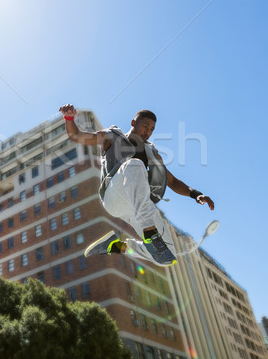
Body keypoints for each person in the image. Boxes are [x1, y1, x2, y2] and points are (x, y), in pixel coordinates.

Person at [58, 104, 215, 267]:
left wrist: (196, 194)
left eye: (152, 129)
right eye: (145, 126)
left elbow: (173, 181)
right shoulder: (112, 137)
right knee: (134, 164)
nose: (147, 132)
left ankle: (115, 245)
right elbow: (77, 136)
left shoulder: (150, 152)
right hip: (113, 195)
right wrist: (69, 118)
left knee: (167, 256)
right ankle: (149, 231)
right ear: (134, 123)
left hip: (137, 206)